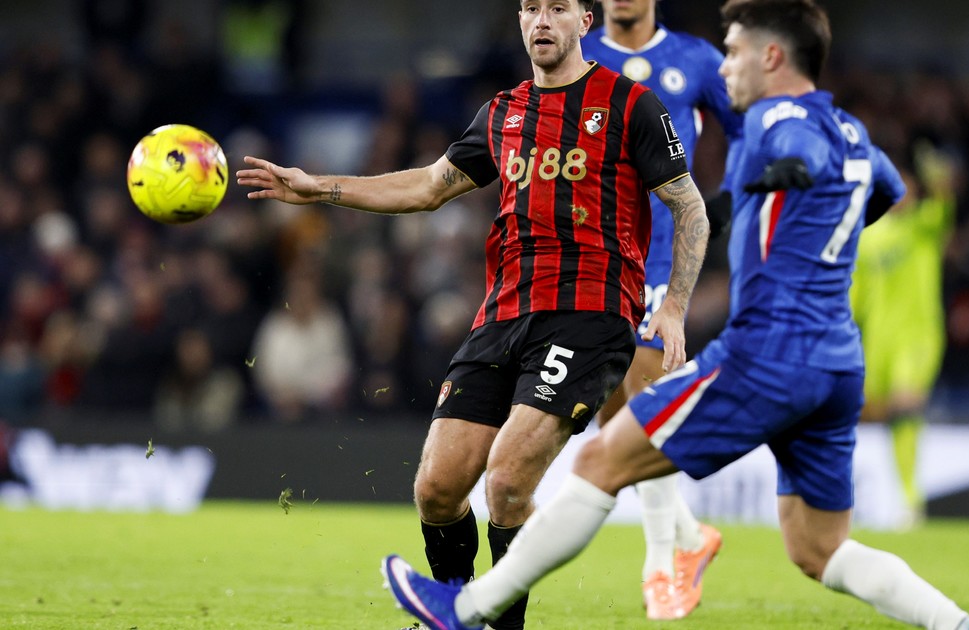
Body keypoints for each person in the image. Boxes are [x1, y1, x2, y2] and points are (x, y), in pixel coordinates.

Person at [379, 2, 969, 629]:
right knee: (820, 549)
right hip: (836, 361)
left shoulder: (776, 119)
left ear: (772, 58)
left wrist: (795, 174)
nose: (724, 67)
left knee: (599, 463)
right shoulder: (852, 131)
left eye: (735, 53)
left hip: (766, 355)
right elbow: (887, 191)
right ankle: (961, 625)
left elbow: (798, 148)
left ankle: (468, 607)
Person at [237, 0, 709, 627]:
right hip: (503, 314)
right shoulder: (504, 112)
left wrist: (674, 305)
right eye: (531, 8)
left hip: (590, 314)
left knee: (507, 483)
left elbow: (689, 207)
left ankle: (489, 620)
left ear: (584, 22)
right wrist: (319, 187)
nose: (542, 20)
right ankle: (454, 613)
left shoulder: (630, 104)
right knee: (436, 490)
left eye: (558, 8)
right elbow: (429, 186)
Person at [580, 0, 742, 618]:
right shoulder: (579, 54)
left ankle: (661, 567)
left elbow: (749, 127)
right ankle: (692, 536)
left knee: (645, 392)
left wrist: (727, 200)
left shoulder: (695, 59)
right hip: (593, 253)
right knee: (612, 415)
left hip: (661, 254)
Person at [850, 140, 956, 529]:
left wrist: (938, 177)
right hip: (877, 343)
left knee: (905, 408)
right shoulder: (867, 239)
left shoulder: (923, 227)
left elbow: (944, 206)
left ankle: (911, 501)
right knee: (869, 414)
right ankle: (844, 497)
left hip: (918, 337)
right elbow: (854, 297)